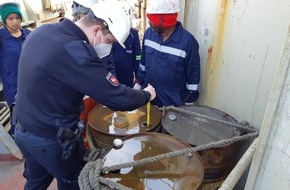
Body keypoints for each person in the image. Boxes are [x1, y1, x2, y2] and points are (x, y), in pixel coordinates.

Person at [14, 1, 156, 190]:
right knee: (73, 181)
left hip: (23, 131)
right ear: (96, 31)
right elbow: (117, 97)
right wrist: (146, 95)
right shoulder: (78, 54)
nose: (109, 49)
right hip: (51, 141)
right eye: (110, 42)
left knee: (36, 181)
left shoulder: (41, 32)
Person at [134, 0, 200, 107]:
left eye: (152, 19)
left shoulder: (188, 42)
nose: (149, 22)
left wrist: (189, 103)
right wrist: (138, 84)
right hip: (148, 98)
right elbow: (143, 65)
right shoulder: (149, 34)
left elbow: (193, 79)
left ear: (164, 20)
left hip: (172, 105)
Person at [0, 0, 30, 137]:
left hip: (31, 81)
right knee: (17, 114)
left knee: (32, 111)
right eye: (10, 18)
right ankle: (16, 135)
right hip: (12, 84)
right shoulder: (1, 38)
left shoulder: (28, 34)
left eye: (17, 18)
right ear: (4, 20)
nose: (15, 21)